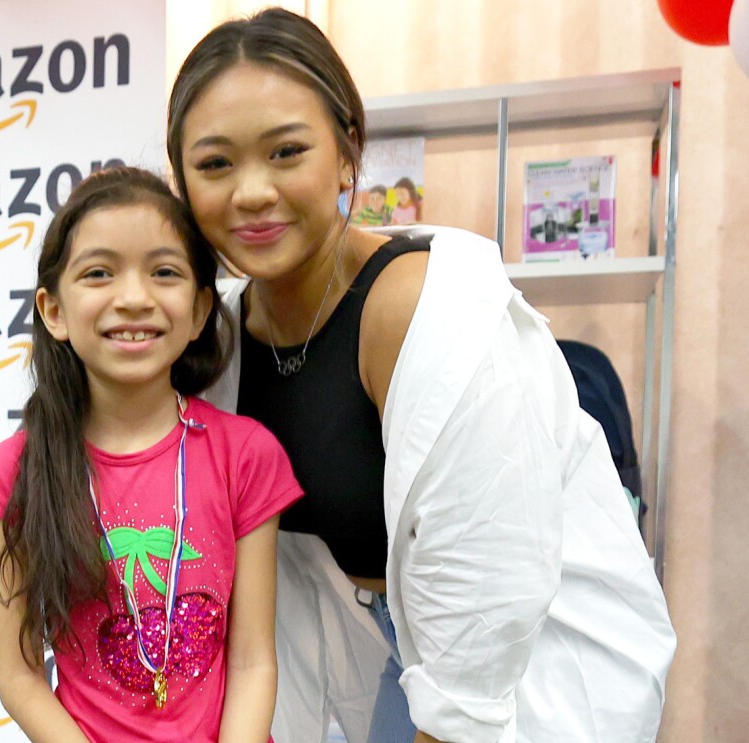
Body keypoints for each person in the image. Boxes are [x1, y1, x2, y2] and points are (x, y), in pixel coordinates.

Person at [166, 9, 676, 743]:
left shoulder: (427, 311)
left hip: (518, 674)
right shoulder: (219, 334)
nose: (251, 192)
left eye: (286, 152)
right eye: (215, 164)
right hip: (373, 667)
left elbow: (489, 601)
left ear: (346, 153)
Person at [0, 166, 304, 743]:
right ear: (54, 311)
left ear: (200, 310)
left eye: (164, 272)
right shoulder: (16, 472)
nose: (133, 298)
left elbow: (252, 661)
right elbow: (19, 675)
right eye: (99, 273)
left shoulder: (245, 455)